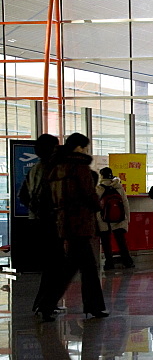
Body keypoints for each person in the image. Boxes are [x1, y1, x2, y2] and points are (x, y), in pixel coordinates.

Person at [37, 133, 108, 320]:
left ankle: (94, 307)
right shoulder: (79, 167)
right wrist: (98, 206)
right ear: (79, 148)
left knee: (88, 266)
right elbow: (89, 195)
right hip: (81, 221)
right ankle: (47, 304)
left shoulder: (55, 167)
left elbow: (47, 196)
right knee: (71, 267)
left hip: (64, 221)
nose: (86, 151)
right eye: (85, 148)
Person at [19, 134, 62, 314]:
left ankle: (43, 302)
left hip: (36, 222)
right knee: (56, 264)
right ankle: (45, 305)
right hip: (51, 222)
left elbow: (23, 195)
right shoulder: (52, 170)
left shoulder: (35, 169)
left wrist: (34, 209)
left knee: (50, 265)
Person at [96, 167, 134, 270]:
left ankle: (109, 263)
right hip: (119, 219)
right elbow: (125, 203)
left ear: (101, 176)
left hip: (103, 220)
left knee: (106, 242)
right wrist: (127, 219)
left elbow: (96, 206)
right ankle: (127, 262)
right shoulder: (119, 187)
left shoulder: (98, 188)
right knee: (121, 241)